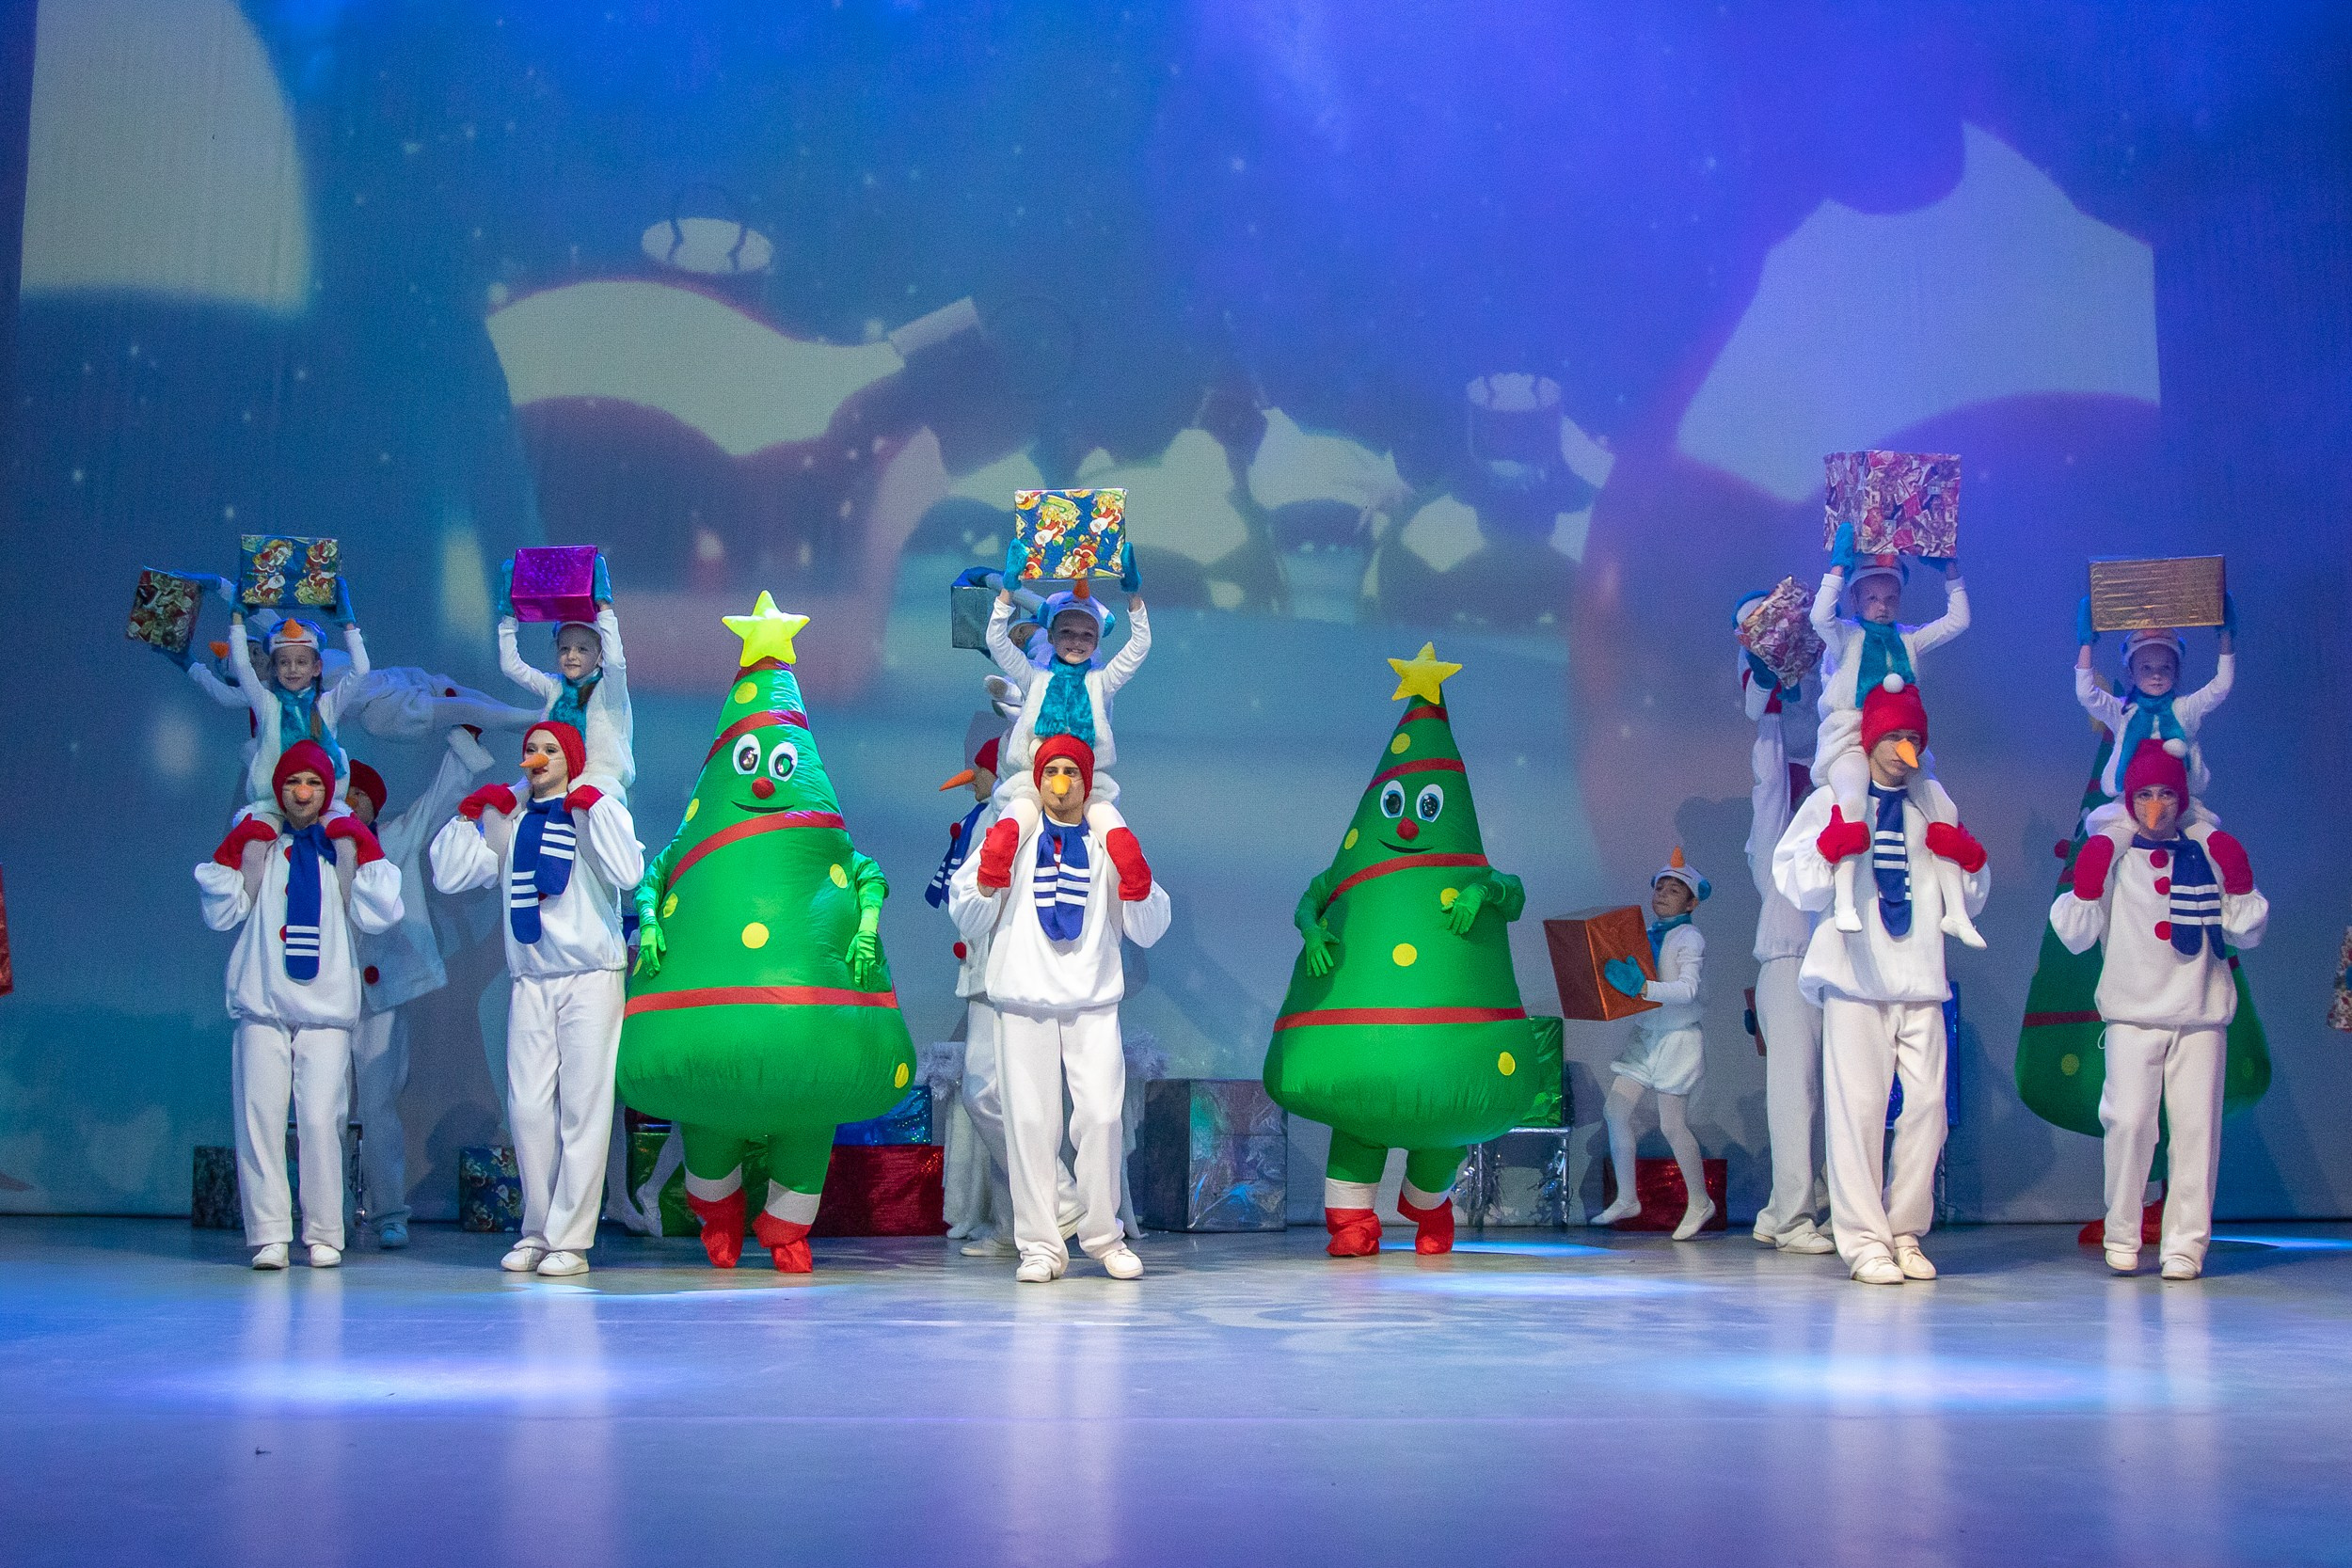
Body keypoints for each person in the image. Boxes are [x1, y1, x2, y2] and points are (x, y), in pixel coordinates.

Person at [1773, 682, 1990, 1285]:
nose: (1903, 749)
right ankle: (1865, 1242)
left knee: (1928, 1109)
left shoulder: (1932, 805)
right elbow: (1798, 884)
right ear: (1869, 740)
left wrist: (1968, 856)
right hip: (1855, 975)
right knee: (1859, 1112)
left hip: (1920, 976)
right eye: (1893, 736)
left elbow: (1970, 895)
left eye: (1913, 737)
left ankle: (1905, 1230)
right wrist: (1830, 846)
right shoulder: (1832, 799)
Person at [948, 736, 1168, 1283]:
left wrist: (1137, 880)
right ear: (1038, 778)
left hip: (1092, 998)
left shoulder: (1106, 841)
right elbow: (968, 916)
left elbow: (1148, 927)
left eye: (1071, 771)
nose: (1061, 782)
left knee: (1100, 1118)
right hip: (1023, 995)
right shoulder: (1013, 835)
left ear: (1087, 781)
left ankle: (1104, 1237)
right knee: (1029, 1124)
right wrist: (989, 873)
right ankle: (1041, 1247)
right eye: (1051, 771)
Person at [430, 721, 643, 1276]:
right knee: (527, 1109)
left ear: (571, 760)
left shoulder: (589, 810)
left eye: (551, 749)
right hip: (531, 979)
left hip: (590, 975)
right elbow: (451, 875)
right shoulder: (511, 819)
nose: (539, 756)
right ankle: (537, 1230)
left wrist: (594, 806)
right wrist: (470, 815)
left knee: (583, 1108)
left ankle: (570, 1240)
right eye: (531, 748)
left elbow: (628, 870)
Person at [2049, 739, 2266, 1280]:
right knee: (2128, 1123)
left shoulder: (2206, 852)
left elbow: (2246, 930)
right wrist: (2088, 880)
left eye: (2166, 793)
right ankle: (2122, 1231)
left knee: (2196, 1133)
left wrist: (2238, 879)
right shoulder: (2115, 855)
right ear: (2130, 799)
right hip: (2132, 1012)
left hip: (2199, 1010)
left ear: (2181, 798)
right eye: (2144, 793)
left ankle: (2185, 1245)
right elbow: (2075, 936)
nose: (2155, 804)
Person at [195, 741, 402, 1269]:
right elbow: (222, 912)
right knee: (259, 1120)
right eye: (292, 782)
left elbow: (379, 913)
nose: (302, 792)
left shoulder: (340, 847)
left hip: (325, 1007)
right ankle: (268, 1233)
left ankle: (325, 1231)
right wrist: (238, 846)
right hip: (262, 1001)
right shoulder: (262, 844)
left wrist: (360, 844)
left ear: (326, 790)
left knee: (320, 1120)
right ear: (279, 790)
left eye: (312, 783)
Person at [927, 725, 1083, 1256]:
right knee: (995, 1095)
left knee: (991, 1093)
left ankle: (1059, 1197)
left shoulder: (1023, 813)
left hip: (1011, 969)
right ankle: (1018, 1223)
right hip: (984, 969)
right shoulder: (990, 814)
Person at [343, 730, 498, 1248]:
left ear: (374, 804)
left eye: (360, 795)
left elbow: (436, 801)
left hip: (380, 998)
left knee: (378, 1106)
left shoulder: (392, 839)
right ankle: (330, 1214)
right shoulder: (314, 847)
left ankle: (389, 1211)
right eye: (345, 793)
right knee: (325, 1111)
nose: (351, 803)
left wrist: (462, 747)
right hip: (323, 995)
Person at [1811, 524, 1975, 944]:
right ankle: (1845, 900)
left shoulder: (1909, 640)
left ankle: (1956, 913)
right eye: (1871, 598)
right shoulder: (1846, 637)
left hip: (1900, 741)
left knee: (1943, 807)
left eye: (1890, 599)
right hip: (1851, 738)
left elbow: (1958, 621)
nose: (1882, 607)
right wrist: (1837, 568)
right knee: (1850, 799)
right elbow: (1819, 617)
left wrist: (1950, 569)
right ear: (1856, 599)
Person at [1737, 595, 1834, 1254]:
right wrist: (1766, 686)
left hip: (1839, 963)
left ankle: (1790, 1209)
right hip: (1789, 959)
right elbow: (1769, 769)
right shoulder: (1776, 829)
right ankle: (1792, 1215)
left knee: (1836, 1094)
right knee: (1795, 1095)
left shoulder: (1841, 816)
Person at [976, 542, 1147, 880]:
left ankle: (1136, 891)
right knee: (1012, 825)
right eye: (1067, 632)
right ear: (1051, 636)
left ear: (1096, 642)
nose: (1076, 641)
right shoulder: (1034, 676)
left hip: (1087, 781)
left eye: (1087, 635)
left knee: (1114, 831)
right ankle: (990, 888)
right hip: (1033, 778)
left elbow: (1139, 647)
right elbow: (997, 641)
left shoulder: (1101, 682)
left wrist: (1133, 595)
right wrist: (1008, 589)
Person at [1592, 850, 1716, 1239]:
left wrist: (1643, 987)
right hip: (1647, 1036)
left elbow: (1688, 989)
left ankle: (1701, 1201)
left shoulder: (1689, 938)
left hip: (1678, 1039)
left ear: (1691, 903)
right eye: (1660, 887)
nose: (1663, 894)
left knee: (1672, 1124)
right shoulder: (1645, 934)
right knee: (1615, 1109)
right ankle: (1628, 1197)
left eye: (1674, 890)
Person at [496, 553, 634, 797]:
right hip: (552, 780)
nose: (571, 656)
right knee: (498, 806)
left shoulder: (609, 689)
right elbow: (511, 666)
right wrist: (509, 617)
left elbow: (615, 662)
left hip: (599, 784)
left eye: (582, 649)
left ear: (600, 655)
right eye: (564, 649)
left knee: (581, 801)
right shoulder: (555, 686)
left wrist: (604, 606)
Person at [2074, 596, 2235, 805]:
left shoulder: (2184, 709)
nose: (2156, 675)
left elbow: (2221, 686)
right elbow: (2087, 694)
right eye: (2146, 668)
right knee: (2104, 827)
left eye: (2165, 667)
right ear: (2131, 673)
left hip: (2179, 807)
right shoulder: (2123, 711)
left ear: (2176, 672)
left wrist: (2226, 635)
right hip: (2129, 807)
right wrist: (2086, 642)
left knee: (2205, 828)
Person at [222, 588, 371, 812]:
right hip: (273, 807)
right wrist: (237, 619)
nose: (292, 669)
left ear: (316, 668)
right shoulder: (268, 704)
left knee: (345, 832)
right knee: (252, 832)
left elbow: (361, 670)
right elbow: (243, 666)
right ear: (274, 668)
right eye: (284, 663)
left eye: (301, 662)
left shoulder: (326, 705)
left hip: (321, 808)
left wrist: (348, 624)